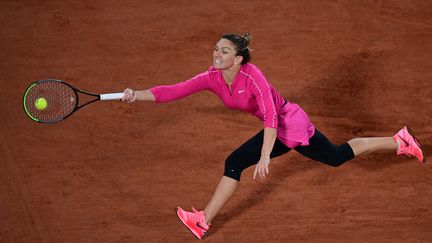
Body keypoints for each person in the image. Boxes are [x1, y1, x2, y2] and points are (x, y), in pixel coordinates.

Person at [121, 33, 425, 240]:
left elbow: (270, 116)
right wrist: (138, 95)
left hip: (289, 125)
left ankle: (202, 220)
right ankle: (399, 141)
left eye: (224, 51)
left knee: (235, 161)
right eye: (216, 49)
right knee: (335, 156)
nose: (216, 54)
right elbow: (172, 91)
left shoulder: (255, 76)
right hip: (279, 128)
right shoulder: (212, 77)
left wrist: (266, 154)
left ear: (239, 59)